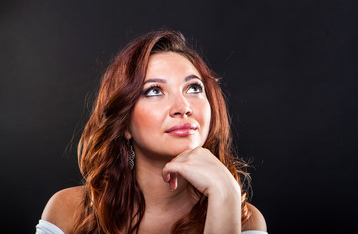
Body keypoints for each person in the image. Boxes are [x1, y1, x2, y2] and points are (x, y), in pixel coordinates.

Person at [36, 30, 267, 234]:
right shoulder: (68, 212)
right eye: (154, 91)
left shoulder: (245, 221)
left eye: (194, 88)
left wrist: (225, 194)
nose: (183, 108)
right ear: (124, 123)